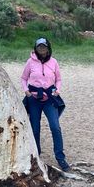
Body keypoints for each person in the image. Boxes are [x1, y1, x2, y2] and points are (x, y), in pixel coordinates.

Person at [21, 37, 70, 171]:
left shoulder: (54, 62)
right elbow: (24, 78)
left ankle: (60, 157)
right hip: (34, 99)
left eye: (44, 47)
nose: (42, 49)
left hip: (49, 98)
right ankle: (36, 155)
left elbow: (58, 79)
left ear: (48, 48)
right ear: (36, 48)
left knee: (55, 126)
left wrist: (57, 91)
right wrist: (26, 91)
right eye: (39, 47)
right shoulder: (30, 62)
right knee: (34, 128)